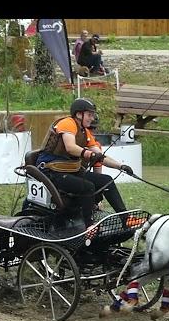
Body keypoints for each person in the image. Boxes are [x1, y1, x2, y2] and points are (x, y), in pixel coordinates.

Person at [35, 98, 139, 240]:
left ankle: (125, 218)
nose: (92, 118)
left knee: (106, 180)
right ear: (79, 114)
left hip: (71, 170)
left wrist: (120, 166)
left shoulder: (85, 132)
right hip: (52, 171)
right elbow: (70, 147)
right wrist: (89, 154)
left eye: (92, 115)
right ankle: (89, 226)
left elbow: (99, 155)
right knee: (87, 186)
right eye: (89, 115)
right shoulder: (67, 123)